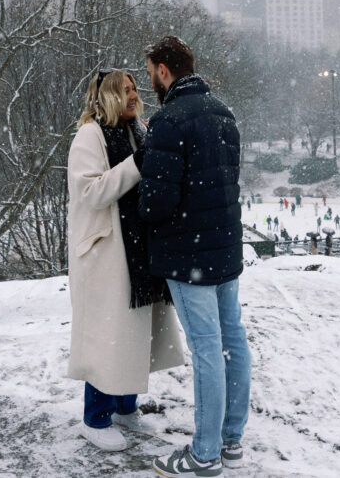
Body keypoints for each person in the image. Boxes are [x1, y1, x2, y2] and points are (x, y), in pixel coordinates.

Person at [139, 36, 250, 477]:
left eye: (150, 72)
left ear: (164, 70)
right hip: (224, 247)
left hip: (189, 255)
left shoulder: (168, 120)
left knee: (207, 349)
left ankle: (203, 455)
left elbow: (156, 203)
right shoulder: (224, 114)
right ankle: (231, 441)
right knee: (232, 340)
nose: (150, 80)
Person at [66, 68, 185, 454]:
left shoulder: (138, 130)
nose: (134, 95)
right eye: (126, 90)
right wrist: (139, 162)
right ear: (108, 97)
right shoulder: (91, 134)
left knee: (135, 331)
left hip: (137, 249)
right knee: (108, 335)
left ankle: (124, 407)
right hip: (107, 252)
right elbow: (91, 191)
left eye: (135, 89)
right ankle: (95, 417)